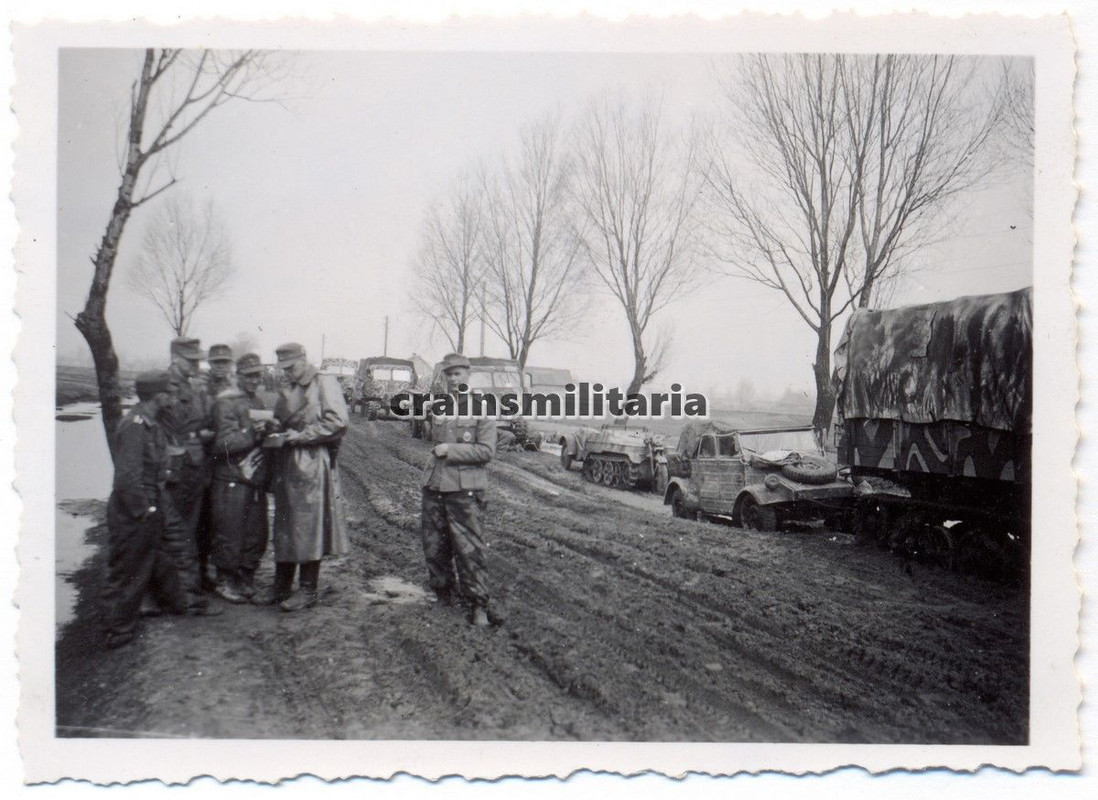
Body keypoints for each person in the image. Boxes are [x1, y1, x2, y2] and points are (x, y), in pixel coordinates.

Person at [256, 343, 349, 611]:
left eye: (292, 367)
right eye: (284, 369)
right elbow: (283, 419)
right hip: (286, 463)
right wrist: (274, 425)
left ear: (304, 360)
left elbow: (338, 422)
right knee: (285, 525)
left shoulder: (323, 382)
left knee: (308, 526)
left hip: (311, 462)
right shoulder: (288, 386)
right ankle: (281, 585)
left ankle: (308, 589)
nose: (288, 373)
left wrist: (301, 436)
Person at [102, 372, 190, 649]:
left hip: (149, 505)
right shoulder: (135, 426)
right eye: (169, 392)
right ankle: (117, 631)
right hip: (133, 511)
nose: (173, 397)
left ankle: (169, 604)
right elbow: (127, 478)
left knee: (152, 560)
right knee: (128, 569)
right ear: (157, 396)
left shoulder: (151, 423)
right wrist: (145, 510)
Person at [420, 352, 499, 627]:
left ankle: (478, 605)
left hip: (465, 489)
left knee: (469, 550)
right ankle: (443, 597)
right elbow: (430, 436)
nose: (453, 379)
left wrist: (451, 450)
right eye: (449, 374)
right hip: (435, 484)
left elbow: (486, 451)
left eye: (458, 374)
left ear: (468, 375)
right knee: (434, 545)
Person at [209, 353, 276, 603]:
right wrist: (251, 432)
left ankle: (245, 577)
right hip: (231, 477)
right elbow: (221, 445)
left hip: (254, 478)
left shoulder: (257, 401)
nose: (254, 380)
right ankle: (225, 580)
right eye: (248, 375)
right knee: (229, 530)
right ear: (237, 376)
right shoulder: (226, 403)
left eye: (257, 375)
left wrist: (270, 431)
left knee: (256, 532)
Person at [161, 336, 216, 595]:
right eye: (190, 361)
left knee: (189, 527)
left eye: (197, 360)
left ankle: (185, 587)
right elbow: (166, 428)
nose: (195, 365)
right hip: (176, 467)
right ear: (175, 358)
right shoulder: (167, 386)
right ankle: (177, 590)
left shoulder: (190, 386)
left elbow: (199, 420)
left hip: (192, 466)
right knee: (176, 530)